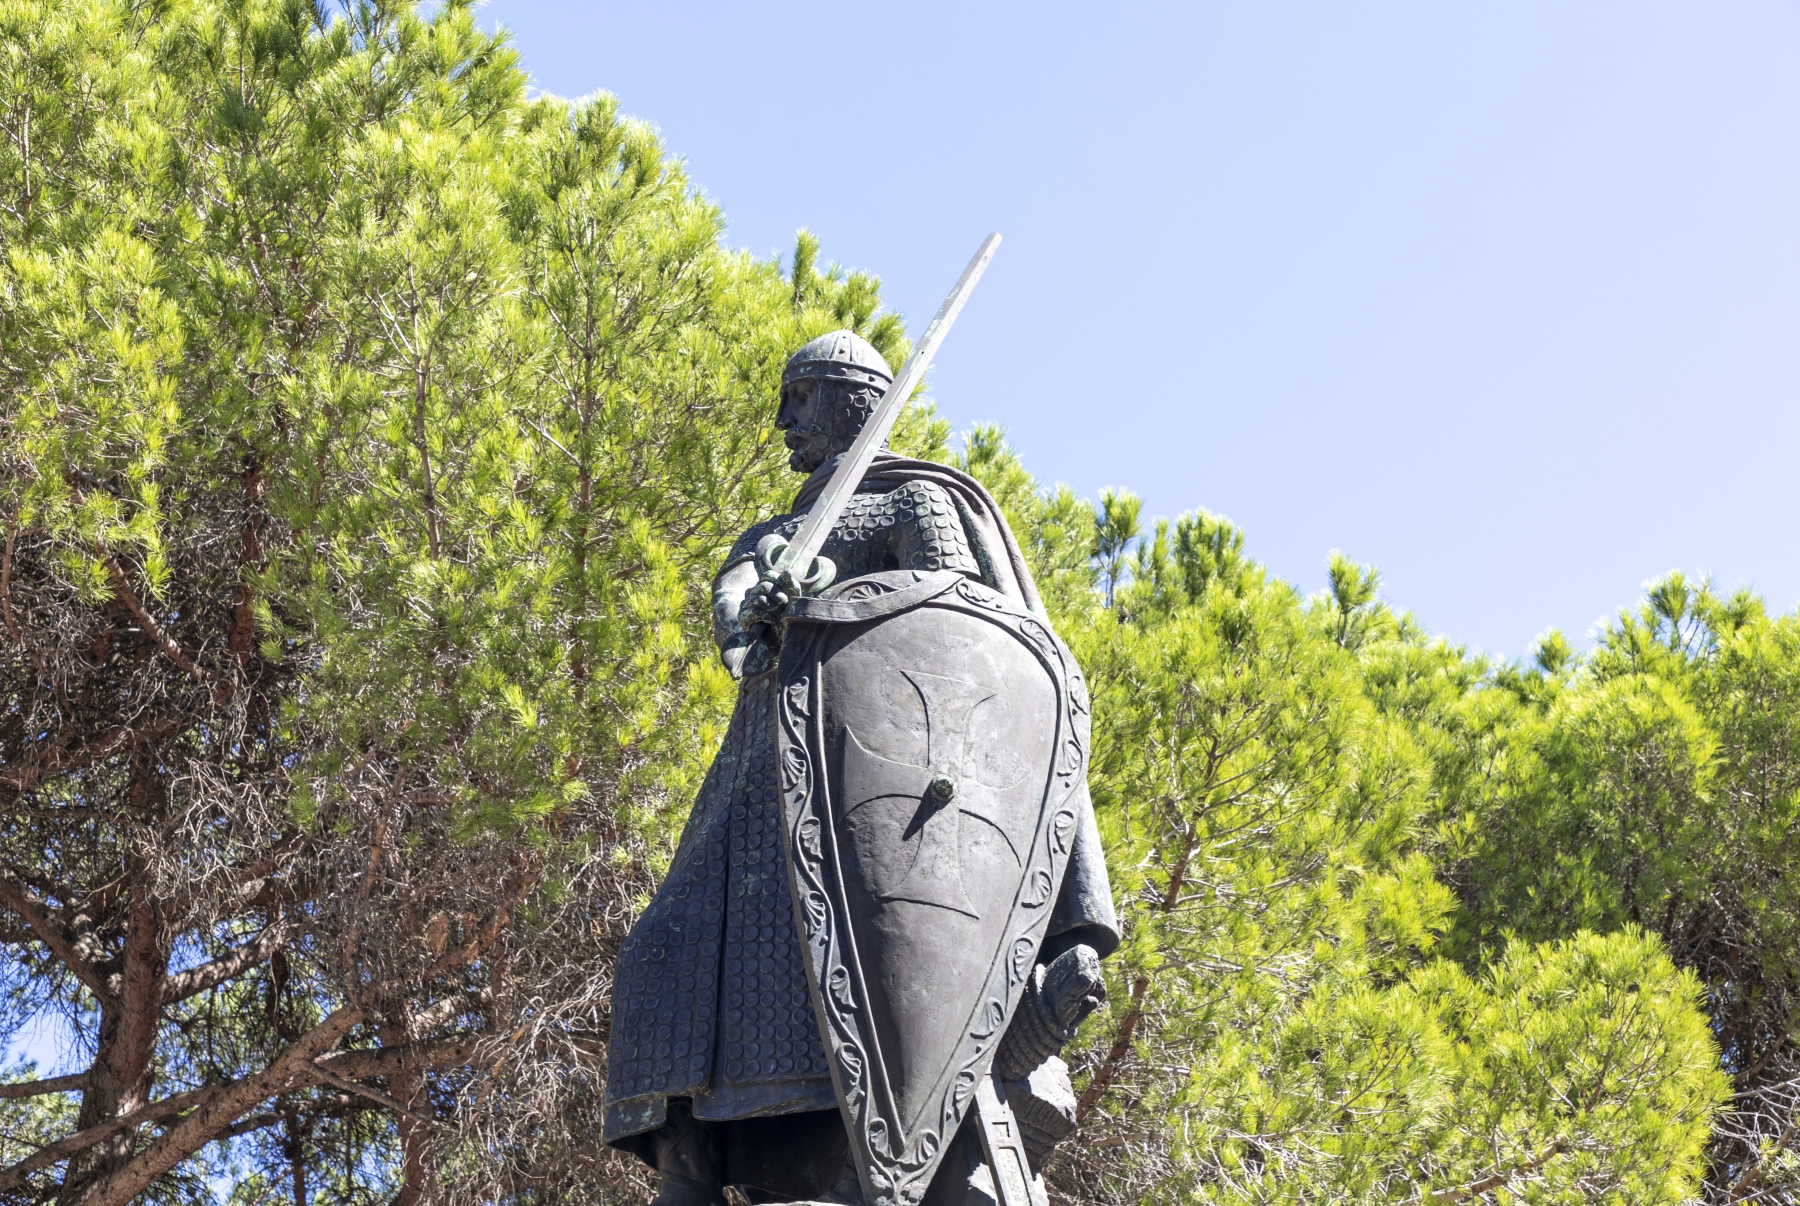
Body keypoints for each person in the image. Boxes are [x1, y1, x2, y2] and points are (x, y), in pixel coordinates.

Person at [604, 331, 1117, 1206]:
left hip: (871, 792)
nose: (783, 420)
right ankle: (689, 1171)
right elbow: (733, 623)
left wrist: (827, 586)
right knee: (663, 952)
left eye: (802, 396)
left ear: (851, 399)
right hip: (756, 782)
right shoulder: (769, 534)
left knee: (856, 961)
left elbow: (953, 622)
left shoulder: (912, 501)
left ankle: (867, 1166)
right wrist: (758, 604)